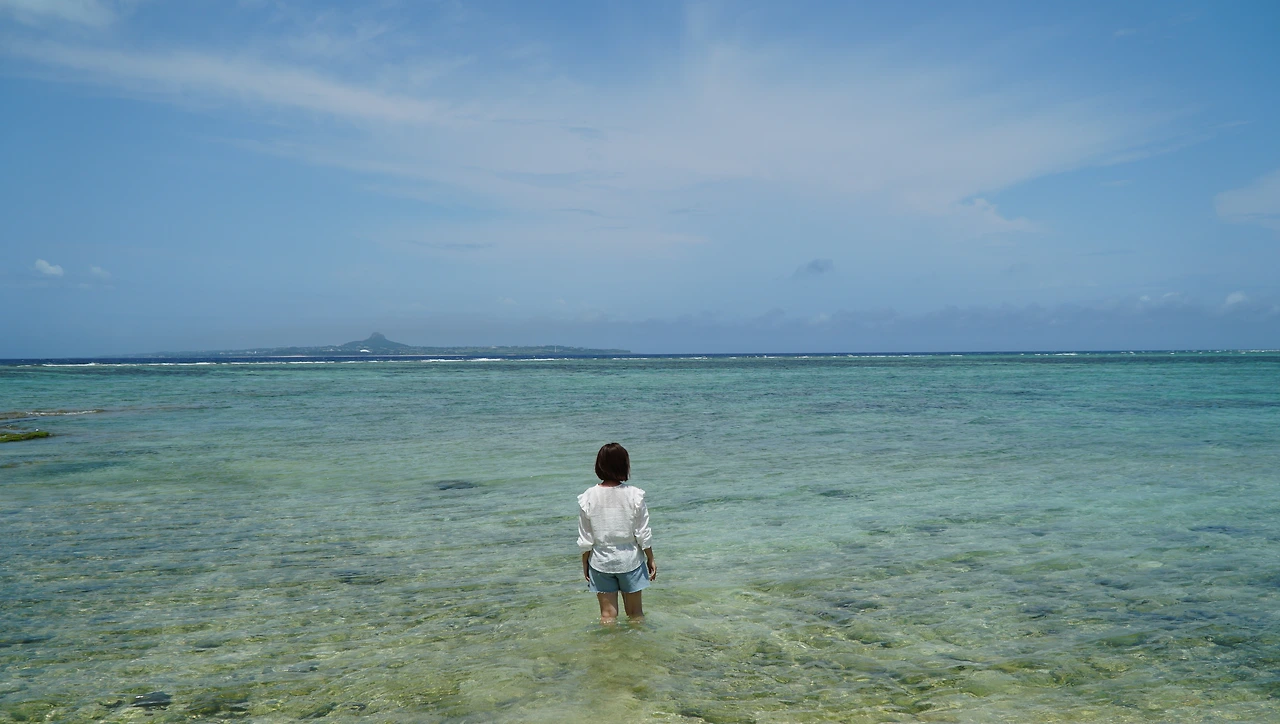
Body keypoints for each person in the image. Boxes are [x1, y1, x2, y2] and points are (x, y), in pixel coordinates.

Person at [577, 442, 656, 624]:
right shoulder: (634, 495)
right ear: (624, 465)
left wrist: (585, 562)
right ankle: (638, 643)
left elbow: (586, 537)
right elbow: (642, 532)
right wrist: (650, 558)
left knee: (607, 615)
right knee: (635, 614)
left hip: (601, 562)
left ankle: (609, 643)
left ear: (599, 465)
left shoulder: (588, 496)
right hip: (630, 560)